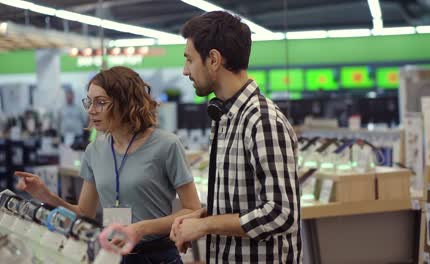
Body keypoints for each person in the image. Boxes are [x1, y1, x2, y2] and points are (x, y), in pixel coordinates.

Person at [16, 66, 201, 264]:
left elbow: (192, 210)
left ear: (126, 103)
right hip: (111, 255)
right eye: (89, 101)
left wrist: (141, 229)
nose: (91, 110)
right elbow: (84, 213)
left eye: (101, 103)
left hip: (157, 256)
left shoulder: (167, 145)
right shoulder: (94, 150)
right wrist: (46, 196)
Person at [170, 11, 302, 263]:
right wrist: (202, 219)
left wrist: (206, 226)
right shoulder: (226, 117)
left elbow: (281, 213)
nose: (185, 71)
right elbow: (242, 204)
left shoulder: (262, 121)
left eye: (189, 59)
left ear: (213, 60)